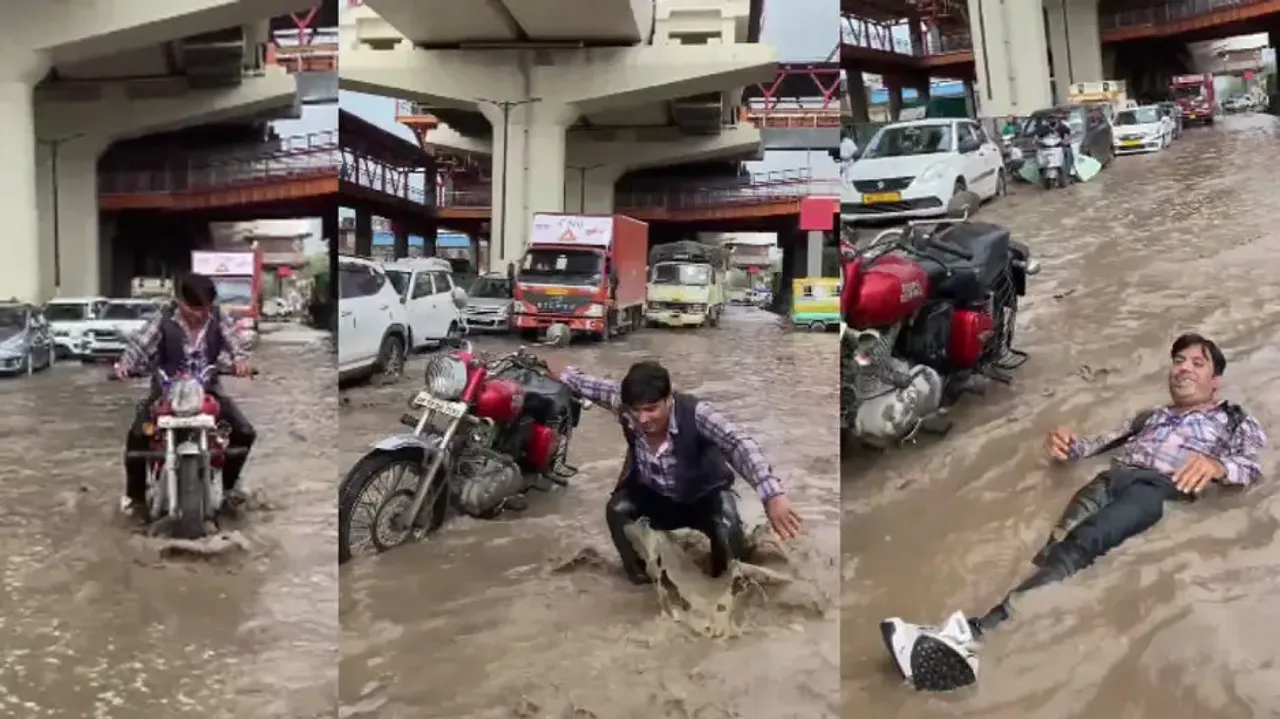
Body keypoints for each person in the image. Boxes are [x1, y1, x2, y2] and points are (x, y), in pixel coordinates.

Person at [883, 333, 1267, 692]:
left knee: (1082, 546)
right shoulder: (1151, 417)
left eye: (1198, 363)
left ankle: (975, 634)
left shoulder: (1233, 419)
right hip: (1110, 480)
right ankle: (992, 643)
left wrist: (1218, 466)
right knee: (1053, 553)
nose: (1183, 368)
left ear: (1216, 380)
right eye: (1179, 361)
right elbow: (1097, 445)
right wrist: (1067, 447)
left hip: (1157, 489)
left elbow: (1252, 468)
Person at [550, 359, 804, 584]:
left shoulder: (697, 414)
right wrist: (557, 370)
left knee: (727, 530)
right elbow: (588, 385)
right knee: (617, 510)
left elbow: (739, 443)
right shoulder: (625, 405)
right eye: (636, 410)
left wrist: (771, 494)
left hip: (704, 499)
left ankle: (725, 582)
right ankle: (640, 582)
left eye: (651, 409)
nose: (643, 418)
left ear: (669, 399)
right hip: (654, 498)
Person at [115, 273, 256, 522]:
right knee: (137, 435)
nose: (200, 314)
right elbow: (139, 346)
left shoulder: (218, 317)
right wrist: (125, 365)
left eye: (204, 308)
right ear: (180, 301)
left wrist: (241, 362)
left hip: (207, 390)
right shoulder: (163, 319)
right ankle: (135, 499)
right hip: (166, 392)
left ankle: (229, 490)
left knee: (245, 432)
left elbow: (236, 344)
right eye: (193, 308)